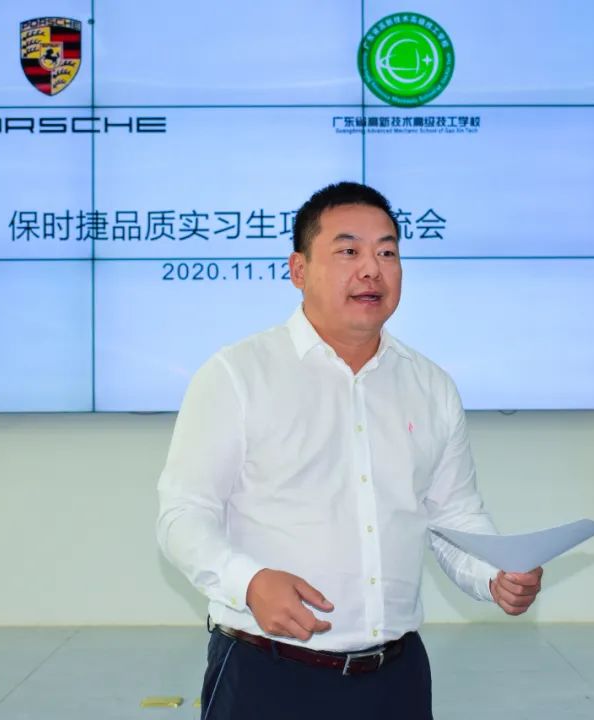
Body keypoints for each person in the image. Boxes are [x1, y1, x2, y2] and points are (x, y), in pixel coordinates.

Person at [156, 181, 543, 719]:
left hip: (396, 679)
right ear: (298, 270)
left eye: (387, 253)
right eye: (348, 251)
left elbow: (453, 515)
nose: (371, 270)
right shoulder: (237, 376)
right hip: (266, 673)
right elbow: (182, 516)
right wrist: (250, 583)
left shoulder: (430, 386)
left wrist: (494, 574)